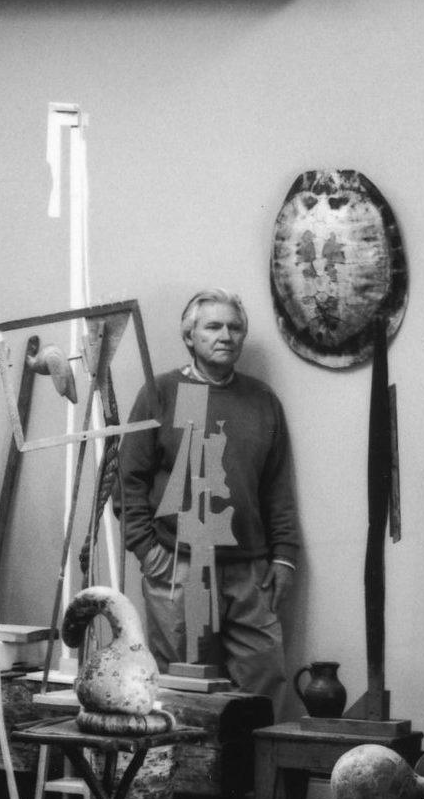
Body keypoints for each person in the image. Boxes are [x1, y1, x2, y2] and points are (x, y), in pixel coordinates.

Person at [118, 290, 301, 697]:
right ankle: (188, 765)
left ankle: (247, 765)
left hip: (250, 571)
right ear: (190, 336)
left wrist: (285, 557)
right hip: (180, 564)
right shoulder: (161, 393)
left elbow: (277, 486)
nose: (226, 335)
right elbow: (129, 479)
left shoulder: (262, 400)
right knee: (185, 687)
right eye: (213, 326)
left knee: (263, 679)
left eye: (235, 327)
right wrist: (148, 551)